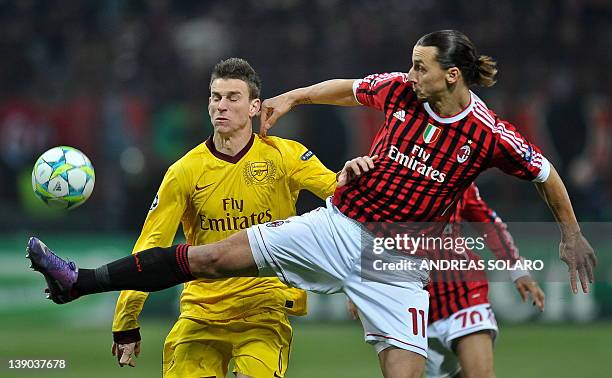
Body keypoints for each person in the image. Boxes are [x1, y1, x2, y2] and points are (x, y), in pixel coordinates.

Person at [27, 30, 596, 378]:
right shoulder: (401, 90)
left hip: (398, 261)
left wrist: (569, 234)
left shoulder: (488, 133)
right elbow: (348, 88)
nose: (410, 71)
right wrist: (296, 95)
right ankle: (78, 281)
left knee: (405, 371)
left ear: (451, 75)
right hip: (338, 225)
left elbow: (546, 175)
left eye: (421, 66)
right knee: (209, 257)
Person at [110, 58, 337, 377]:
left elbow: (342, 194)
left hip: (263, 309)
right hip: (201, 313)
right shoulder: (185, 172)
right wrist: (126, 321)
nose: (222, 106)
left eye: (233, 98)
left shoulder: (285, 156)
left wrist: (365, 175)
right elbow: (149, 248)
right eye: (216, 97)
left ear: (255, 106)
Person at [347, 183, 546, 377]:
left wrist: (517, 269)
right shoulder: (391, 181)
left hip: (462, 292)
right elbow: (362, 230)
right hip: (412, 304)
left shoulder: (459, 178)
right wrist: (359, 282)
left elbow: (488, 223)